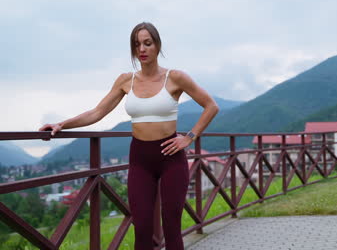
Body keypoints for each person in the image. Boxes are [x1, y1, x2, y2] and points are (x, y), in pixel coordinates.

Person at [39, 22, 219, 250]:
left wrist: (189, 137)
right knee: (142, 228)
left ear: (157, 46)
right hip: (140, 159)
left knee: (172, 227)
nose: (142, 49)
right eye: (136, 45)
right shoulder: (126, 81)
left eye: (147, 43)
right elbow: (97, 112)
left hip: (171, 158)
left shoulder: (175, 78)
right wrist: (61, 124)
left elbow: (211, 106)